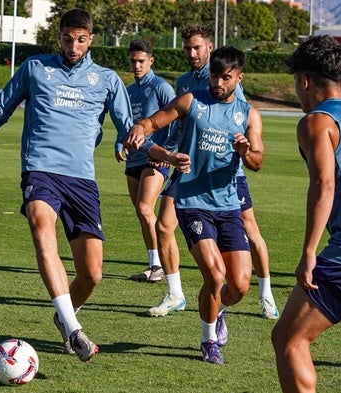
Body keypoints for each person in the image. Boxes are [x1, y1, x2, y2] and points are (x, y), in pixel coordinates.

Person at [0, 8, 190, 363]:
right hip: (40, 170)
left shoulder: (107, 80)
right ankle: (74, 328)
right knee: (40, 225)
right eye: (67, 38)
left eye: (81, 39)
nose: (73, 46)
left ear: (90, 39)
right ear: (58, 37)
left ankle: (63, 316)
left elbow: (130, 131)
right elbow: (0, 108)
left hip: (81, 180)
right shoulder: (35, 68)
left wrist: (164, 155)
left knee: (92, 275)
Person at [125, 45, 264, 364]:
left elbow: (258, 161)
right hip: (192, 202)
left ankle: (219, 313)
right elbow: (154, 122)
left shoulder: (249, 115)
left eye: (226, 78)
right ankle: (208, 340)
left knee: (240, 285)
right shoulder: (192, 101)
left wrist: (245, 152)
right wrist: (140, 129)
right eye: (215, 76)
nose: (218, 83)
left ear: (239, 78)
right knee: (215, 276)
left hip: (228, 206)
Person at [148, 25, 279, 320]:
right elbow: (179, 124)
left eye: (197, 47)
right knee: (164, 225)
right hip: (191, 169)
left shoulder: (230, 81)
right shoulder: (185, 84)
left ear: (209, 48)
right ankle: (175, 293)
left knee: (252, 233)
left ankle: (265, 293)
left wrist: (243, 149)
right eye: (187, 48)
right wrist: (167, 153)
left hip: (228, 175)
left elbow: (238, 126)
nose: (192, 53)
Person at [271, 34, 341, 392]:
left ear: (303, 80)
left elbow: (323, 186)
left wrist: (309, 253)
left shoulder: (316, 122)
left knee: (289, 339)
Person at [125, 39, 177, 284]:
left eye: (141, 61)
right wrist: (118, 145)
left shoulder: (161, 87)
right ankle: (153, 263)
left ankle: (159, 265)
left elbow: (177, 120)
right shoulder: (129, 90)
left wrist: (166, 152)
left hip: (155, 159)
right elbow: (125, 124)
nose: (137, 65)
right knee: (140, 211)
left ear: (151, 61)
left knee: (146, 208)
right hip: (133, 159)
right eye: (133, 61)